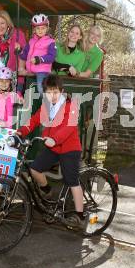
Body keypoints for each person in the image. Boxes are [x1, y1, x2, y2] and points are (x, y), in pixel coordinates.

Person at [16, 74, 85, 229]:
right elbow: (34, 120)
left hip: (69, 148)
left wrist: (55, 138)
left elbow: (69, 126)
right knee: (34, 169)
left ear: (61, 91)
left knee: (72, 181)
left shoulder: (70, 105)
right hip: (52, 147)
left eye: (55, 92)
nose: (52, 96)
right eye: (48, 92)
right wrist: (21, 132)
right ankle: (47, 192)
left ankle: (79, 215)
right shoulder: (46, 106)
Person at [19, 13, 56, 94]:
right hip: (30, 71)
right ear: (34, 30)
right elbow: (24, 53)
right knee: (29, 90)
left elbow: (51, 56)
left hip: (42, 71)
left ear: (47, 29)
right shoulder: (31, 41)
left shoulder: (50, 42)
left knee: (41, 88)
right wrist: (20, 56)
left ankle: (49, 103)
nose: (40, 30)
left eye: (43, 28)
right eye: (38, 28)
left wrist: (39, 59)